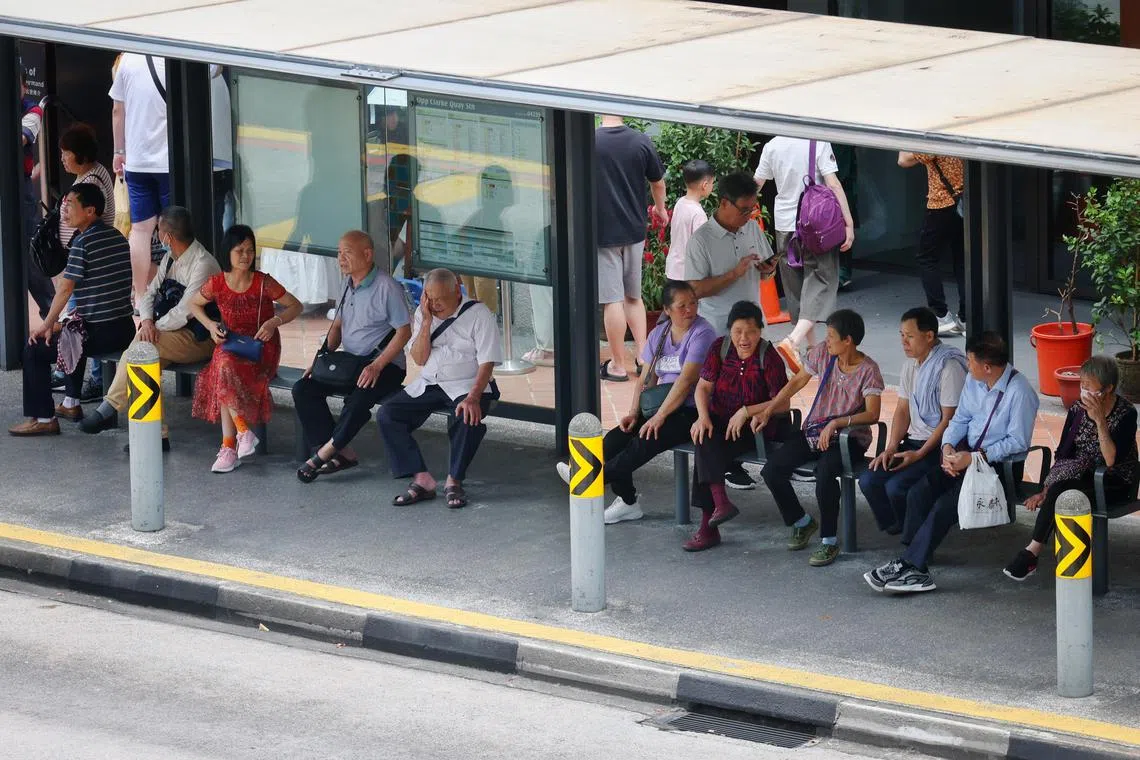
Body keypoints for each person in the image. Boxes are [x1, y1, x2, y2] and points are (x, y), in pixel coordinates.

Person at [865, 332, 1038, 594]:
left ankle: (913, 564)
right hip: (965, 456)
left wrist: (975, 458)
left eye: (971, 362)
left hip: (998, 468)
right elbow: (959, 420)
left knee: (945, 505)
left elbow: (1017, 442)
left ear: (987, 367)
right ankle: (914, 561)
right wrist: (947, 448)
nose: (968, 367)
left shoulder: (1020, 392)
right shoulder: (975, 380)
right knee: (920, 491)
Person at [554, 281, 716, 524]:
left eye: (693, 303)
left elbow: (686, 382)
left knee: (644, 440)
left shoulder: (703, 333)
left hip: (691, 410)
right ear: (667, 309)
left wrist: (658, 418)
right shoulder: (659, 334)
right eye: (682, 305)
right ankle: (628, 502)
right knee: (617, 438)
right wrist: (633, 412)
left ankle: (590, 478)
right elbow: (645, 379)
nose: (689, 310)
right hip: (662, 403)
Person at [79, 206, 220, 448]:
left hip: (201, 337)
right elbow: (148, 294)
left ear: (169, 237)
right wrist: (146, 321)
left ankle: (110, 406)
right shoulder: (170, 258)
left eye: (159, 232)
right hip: (168, 334)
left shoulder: (202, 263)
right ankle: (155, 436)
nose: (157, 237)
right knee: (144, 360)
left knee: (142, 348)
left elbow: (183, 313)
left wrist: (152, 328)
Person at [756, 309, 884, 567]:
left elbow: (873, 413)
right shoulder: (825, 355)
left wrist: (838, 423)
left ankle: (829, 541)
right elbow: (796, 383)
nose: (826, 341)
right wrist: (769, 408)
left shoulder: (868, 370)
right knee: (772, 469)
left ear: (848, 340)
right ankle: (802, 522)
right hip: (815, 431)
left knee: (825, 474)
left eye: (831, 336)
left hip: (849, 440)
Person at [9, 185, 134, 436]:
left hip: (100, 332)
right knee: (72, 331)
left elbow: (65, 289)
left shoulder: (83, 242)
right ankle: (71, 404)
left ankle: (44, 420)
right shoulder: (118, 237)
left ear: (90, 211)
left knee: (35, 349)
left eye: (71, 205)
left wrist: (47, 324)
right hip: (124, 328)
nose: (65, 210)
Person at [1003, 356, 1138, 581]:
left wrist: (1100, 422)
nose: (1083, 390)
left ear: (1107, 389)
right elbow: (1064, 454)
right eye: (1081, 384)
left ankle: (1032, 555)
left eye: (1088, 386)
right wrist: (1045, 489)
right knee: (1061, 490)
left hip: (1112, 481)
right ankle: (1032, 552)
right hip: (1077, 476)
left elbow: (1112, 460)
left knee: (1065, 492)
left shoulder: (1126, 413)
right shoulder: (1077, 409)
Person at [377, 268, 502, 509]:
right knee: (388, 414)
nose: (434, 305)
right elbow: (419, 359)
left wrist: (474, 397)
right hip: (430, 382)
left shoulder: (479, 314)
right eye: (429, 298)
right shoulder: (424, 313)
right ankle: (421, 479)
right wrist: (425, 321)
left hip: (468, 384)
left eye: (439, 300)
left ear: (457, 292)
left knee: (466, 417)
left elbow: (487, 361)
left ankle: (454, 480)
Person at [685, 170, 778, 490]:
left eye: (752, 209)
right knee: (720, 400)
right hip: (718, 333)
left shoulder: (752, 228)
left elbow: (765, 274)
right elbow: (695, 289)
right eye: (743, 209)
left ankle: (741, 455)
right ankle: (723, 468)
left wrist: (768, 268)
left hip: (751, 330)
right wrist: (735, 273)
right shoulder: (702, 240)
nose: (749, 215)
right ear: (723, 203)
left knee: (753, 392)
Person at [293, 231, 412, 482]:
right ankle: (341, 451)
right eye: (339, 252)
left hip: (385, 365)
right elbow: (337, 327)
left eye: (347, 252)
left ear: (367, 254)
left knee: (358, 399)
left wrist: (377, 366)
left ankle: (323, 453)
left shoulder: (387, 287)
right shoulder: (346, 283)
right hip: (352, 362)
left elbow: (404, 332)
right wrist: (318, 362)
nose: (340, 258)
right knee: (303, 388)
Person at [188, 225, 302, 473]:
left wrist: (274, 322)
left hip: (261, 347)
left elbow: (295, 306)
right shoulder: (217, 283)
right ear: (227, 252)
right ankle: (237, 438)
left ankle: (233, 442)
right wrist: (210, 325)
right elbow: (194, 304)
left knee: (222, 364)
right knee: (223, 362)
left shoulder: (263, 283)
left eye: (250, 250)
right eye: (239, 250)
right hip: (232, 344)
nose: (245, 256)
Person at [685, 300, 789, 552]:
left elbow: (783, 404)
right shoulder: (720, 348)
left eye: (751, 331)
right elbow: (703, 387)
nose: (744, 338)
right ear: (729, 330)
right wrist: (702, 416)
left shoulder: (769, 356)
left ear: (761, 330)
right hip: (721, 421)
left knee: (706, 448)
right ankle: (720, 504)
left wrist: (746, 411)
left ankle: (708, 527)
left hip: (756, 428)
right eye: (738, 331)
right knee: (704, 435)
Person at [858, 308, 966, 535]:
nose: (904, 342)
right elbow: (902, 411)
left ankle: (915, 538)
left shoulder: (949, 367)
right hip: (913, 442)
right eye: (901, 335)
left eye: (910, 336)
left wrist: (918, 455)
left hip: (938, 446)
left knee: (897, 487)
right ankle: (900, 526)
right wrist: (892, 447)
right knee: (869, 480)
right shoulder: (910, 366)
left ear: (929, 336)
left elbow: (949, 420)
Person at [753, 137, 855, 374]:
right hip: (815, 225)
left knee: (798, 289)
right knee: (822, 281)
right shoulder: (817, 143)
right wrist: (848, 222)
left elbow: (756, 183)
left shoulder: (772, 146)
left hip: (785, 225)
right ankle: (793, 341)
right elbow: (834, 184)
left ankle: (813, 352)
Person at [595, 115, 667, 382]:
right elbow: (657, 182)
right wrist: (660, 209)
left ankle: (616, 365)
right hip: (635, 229)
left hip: (603, 232)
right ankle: (643, 358)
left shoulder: (590, 141)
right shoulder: (640, 140)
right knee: (633, 297)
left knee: (612, 300)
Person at [57, 121, 118, 401]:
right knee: (81, 318)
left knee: (78, 319)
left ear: (79, 155)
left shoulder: (90, 182)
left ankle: (92, 380)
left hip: (87, 261)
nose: (62, 158)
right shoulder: (95, 172)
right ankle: (77, 373)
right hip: (87, 257)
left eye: (66, 153)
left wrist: (47, 324)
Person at [110, 53, 171, 306]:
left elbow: (117, 110)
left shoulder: (126, 60)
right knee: (174, 230)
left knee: (140, 230)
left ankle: (140, 295)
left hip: (136, 161)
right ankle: (176, 291)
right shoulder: (174, 56)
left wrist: (118, 151)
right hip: (170, 163)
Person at [898, 152, 965, 337]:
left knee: (926, 257)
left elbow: (903, 159)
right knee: (963, 260)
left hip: (941, 202)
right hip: (965, 203)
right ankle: (967, 318)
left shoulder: (936, 138)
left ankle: (940, 314)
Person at [19, 70, 54, 319]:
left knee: (31, 252)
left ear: (22, 87)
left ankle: (51, 314)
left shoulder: (33, 111)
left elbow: (20, 139)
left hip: (20, 191)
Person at [665, 160, 714, 281]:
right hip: (688, 276)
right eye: (712, 182)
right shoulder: (698, 214)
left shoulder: (680, 202)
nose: (712, 186)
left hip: (673, 269)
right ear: (705, 185)